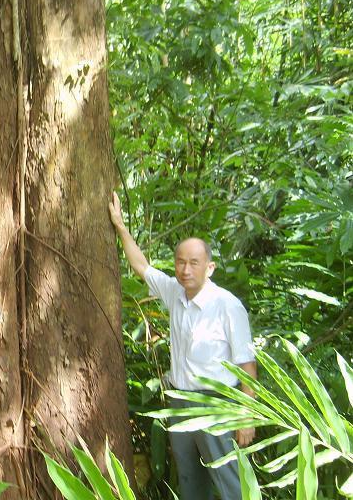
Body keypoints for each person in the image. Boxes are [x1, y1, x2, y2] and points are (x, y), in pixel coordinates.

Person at [108, 191, 257, 500]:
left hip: (217, 403)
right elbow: (141, 266)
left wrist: (246, 417)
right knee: (189, 479)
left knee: (229, 479)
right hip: (180, 401)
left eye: (194, 263)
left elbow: (247, 364)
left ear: (210, 267)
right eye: (180, 262)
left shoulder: (227, 306)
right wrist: (120, 226)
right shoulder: (175, 292)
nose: (185, 269)